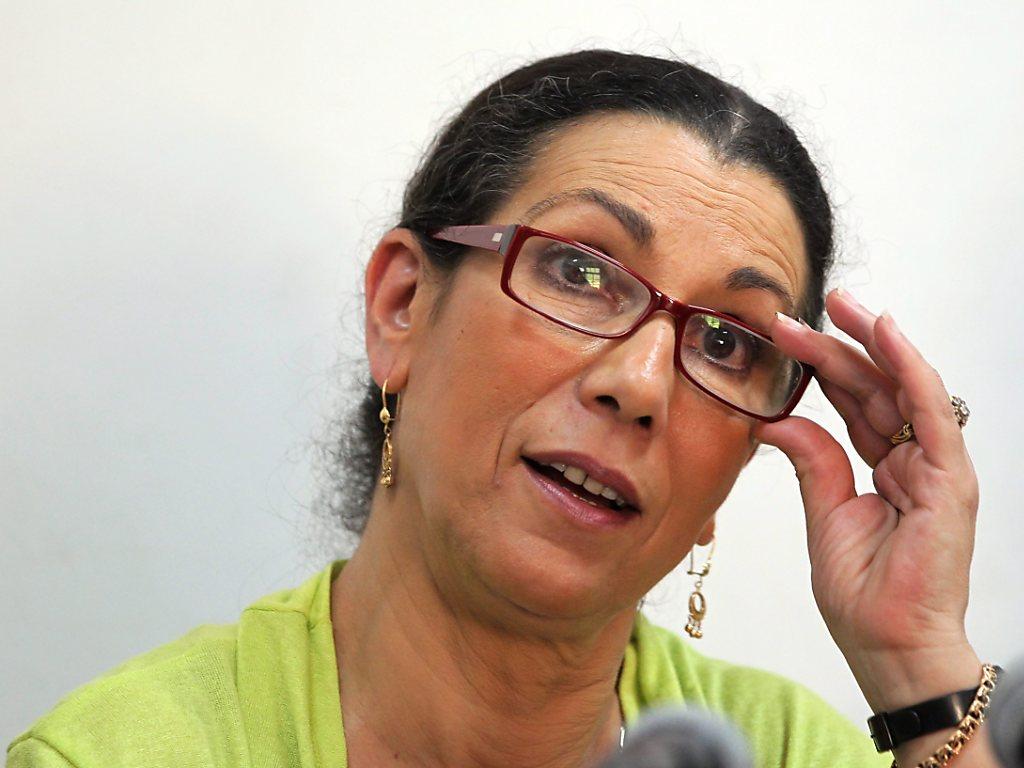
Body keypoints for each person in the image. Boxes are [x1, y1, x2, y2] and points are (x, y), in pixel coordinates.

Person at [6, 49, 999, 768]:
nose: (640, 384)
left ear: (746, 455)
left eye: (725, 342)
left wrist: (915, 660)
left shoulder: (782, 753)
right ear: (403, 307)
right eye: (581, 272)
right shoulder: (121, 755)